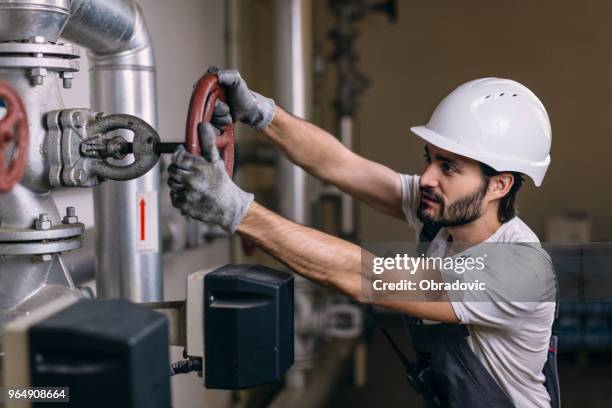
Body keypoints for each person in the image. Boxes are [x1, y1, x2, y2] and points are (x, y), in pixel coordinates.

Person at [168, 68, 559, 407]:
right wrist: (262, 113)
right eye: (430, 158)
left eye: (449, 167)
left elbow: (366, 275)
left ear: (499, 185)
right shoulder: (443, 216)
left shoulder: (519, 270)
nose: (427, 178)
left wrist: (236, 210)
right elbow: (341, 166)